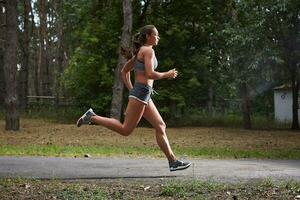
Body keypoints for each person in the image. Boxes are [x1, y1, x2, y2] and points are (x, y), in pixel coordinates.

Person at [76, 25, 191, 172]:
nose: (158, 37)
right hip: (141, 94)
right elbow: (149, 74)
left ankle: (173, 161)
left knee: (161, 126)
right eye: (156, 35)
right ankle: (92, 117)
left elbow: (124, 72)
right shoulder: (148, 50)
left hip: (143, 94)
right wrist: (166, 74)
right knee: (125, 130)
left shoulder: (139, 53)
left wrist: (132, 90)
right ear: (148, 36)